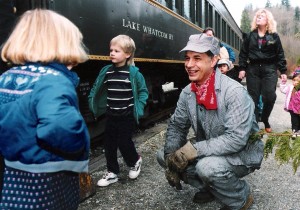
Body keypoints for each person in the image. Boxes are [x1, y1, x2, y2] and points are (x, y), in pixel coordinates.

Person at [156, 33, 264, 210]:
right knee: (164, 156)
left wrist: (194, 150)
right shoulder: (188, 92)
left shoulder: (234, 92)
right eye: (187, 58)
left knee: (207, 167)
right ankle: (211, 188)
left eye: (197, 58)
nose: (189, 65)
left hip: (241, 152)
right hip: (210, 146)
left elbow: (236, 139)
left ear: (213, 61)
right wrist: (171, 161)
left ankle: (241, 198)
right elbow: (177, 126)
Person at [0, 9, 90, 209]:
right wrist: (80, 142)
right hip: (50, 179)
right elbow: (59, 127)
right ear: (61, 45)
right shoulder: (52, 81)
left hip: (14, 173)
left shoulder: (6, 77)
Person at [88, 35, 148, 187]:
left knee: (124, 142)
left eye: (117, 50)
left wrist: (139, 108)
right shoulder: (106, 71)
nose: (112, 53)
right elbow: (96, 87)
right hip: (111, 114)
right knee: (108, 144)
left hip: (126, 115)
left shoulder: (134, 73)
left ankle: (135, 161)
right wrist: (91, 100)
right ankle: (112, 172)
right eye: (111, 50)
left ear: (127, 54)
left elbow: (143, 91)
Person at [238, 9, 287, 133]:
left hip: (269, 68)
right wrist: (242, 68)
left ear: (267, 20)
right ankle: (254, 124)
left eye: (262, 16)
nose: (258, 18)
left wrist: (283, 71)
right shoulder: (250, 36)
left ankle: (265, 118)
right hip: (253, 69)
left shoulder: (274, 36)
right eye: (258, 16)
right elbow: (243, 53)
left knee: (270, 97)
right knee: (252, 98)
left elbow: (280, 54)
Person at [280, 72, 300, 138]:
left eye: (298, 80)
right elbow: (283, 90)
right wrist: (283, 82)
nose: (296, 82)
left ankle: (298, 131)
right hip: (292, 108)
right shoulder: (290, 87)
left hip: (299, 109)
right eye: (294, 80)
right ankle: (294, 131)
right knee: (294, 120)